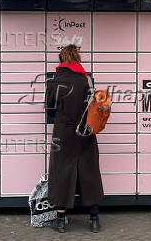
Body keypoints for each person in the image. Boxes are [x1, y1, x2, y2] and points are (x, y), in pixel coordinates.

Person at [45, 44, 105, 233]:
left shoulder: (55, 81)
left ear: (62, 60)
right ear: (77, 59)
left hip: (63, 134)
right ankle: (94, 220)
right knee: (89, 172)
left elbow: (50, 109)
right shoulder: (87, 80)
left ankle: (61, 220)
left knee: (62, 172)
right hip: (85, 132)